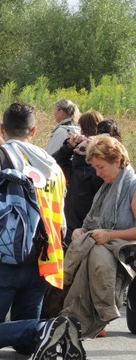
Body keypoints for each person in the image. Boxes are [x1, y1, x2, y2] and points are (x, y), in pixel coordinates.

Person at [0, 102, 80, 360]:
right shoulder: (53, 165)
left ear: (2, 129)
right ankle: (51, 329)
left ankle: (48, 327)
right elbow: (61, 222)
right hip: (41, 261)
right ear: (34, 130)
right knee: (25, 343)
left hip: (3, 258)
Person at [61, 135, 136, 338]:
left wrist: (110, 235)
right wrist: (80, 231)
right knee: (88, 245)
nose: (98, 173)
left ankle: (99, 314)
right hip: (107, 243)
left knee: (96, 254)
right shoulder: (106, 188)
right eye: (95, 168)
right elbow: (92, 224)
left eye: (101, 167)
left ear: (118, 161)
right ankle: (80, 314)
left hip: (127, 249)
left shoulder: (133, 186)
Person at [52, 111, 105, 244]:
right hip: (87, 224)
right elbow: (55, 164)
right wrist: (71, 146)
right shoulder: (100, 161)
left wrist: (72, 148)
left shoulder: (88, 161)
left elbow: (54, 163)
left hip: (77, 220)